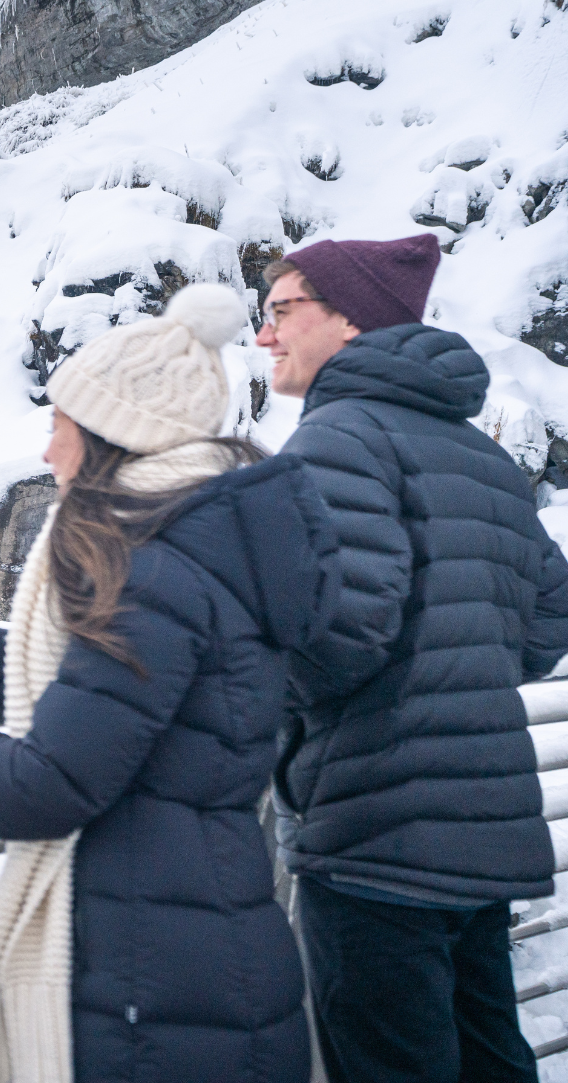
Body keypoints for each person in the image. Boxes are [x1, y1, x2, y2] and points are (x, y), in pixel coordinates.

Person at [0, 282, 337, 1083]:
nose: (46, 452)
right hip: (200, 951)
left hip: (150, 994)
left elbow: (41, 788)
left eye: (58, 426)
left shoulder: (153, 566)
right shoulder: (207, 541)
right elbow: (158, 692)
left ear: (112, 435)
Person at [255, 233, 568, 1083]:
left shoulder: (337, 439)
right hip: (480, 827)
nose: (263, 335)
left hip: (374, 835)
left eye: (281, 310)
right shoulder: (485, 457)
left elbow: (338, 637)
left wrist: (250, 673)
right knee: (492, 1059)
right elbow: (545, 628)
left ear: (349, 321)